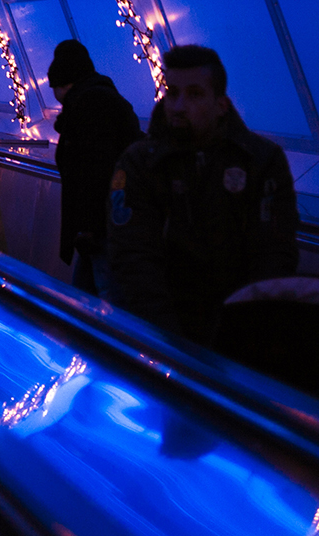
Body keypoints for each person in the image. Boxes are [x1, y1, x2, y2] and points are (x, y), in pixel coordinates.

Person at [107, 44, 299, 344]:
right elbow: (133, 257)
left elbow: (274, 253)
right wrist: (169, 342)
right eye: (172, 93)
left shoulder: (260, 162)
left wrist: (244, 332)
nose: (179, 106)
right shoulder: (140, 164)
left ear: (221, 104)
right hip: (162, 338)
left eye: (194, 94)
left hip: (241, 336)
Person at [46, 39, 143, 295]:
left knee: (105, 295)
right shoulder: (99, 99)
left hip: (102, 227)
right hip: (106, 222)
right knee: (87, 293)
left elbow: (95, 171)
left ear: (63, 83)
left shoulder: (90, 107)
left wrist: (89, 227)